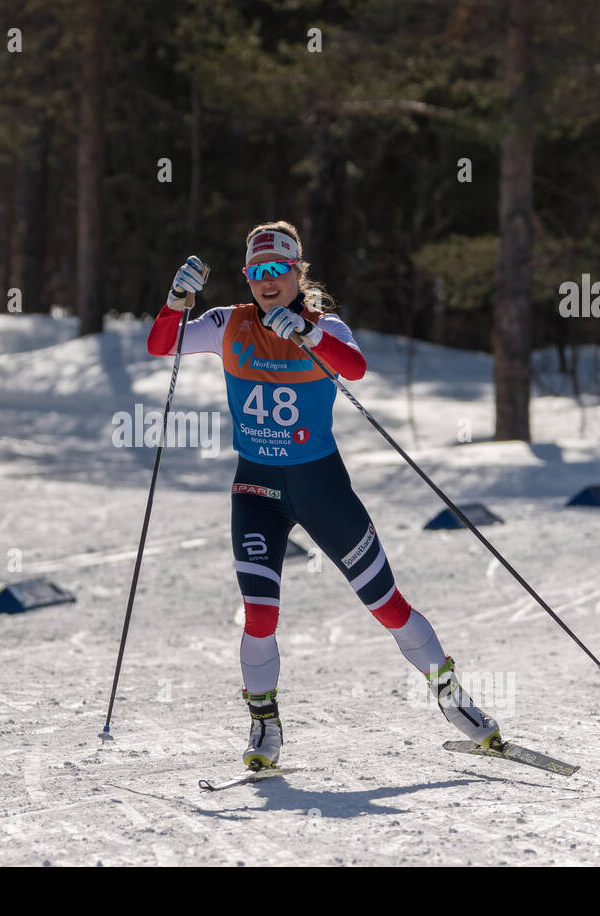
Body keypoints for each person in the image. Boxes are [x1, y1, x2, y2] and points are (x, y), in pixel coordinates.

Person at [146, 220, 502, 770]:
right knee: (259, 615)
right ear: (247, 277)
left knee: (387, 604)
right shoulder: (225, 324)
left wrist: (308, 335)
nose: (267, 282)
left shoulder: (325, 326)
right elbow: (160, 344)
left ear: (296, 272)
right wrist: (175, 301)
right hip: (257, 489)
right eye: (256, 272)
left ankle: (452, 696)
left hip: (322, 487)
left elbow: (355, 368)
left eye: (278, 270)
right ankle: (264, 721)